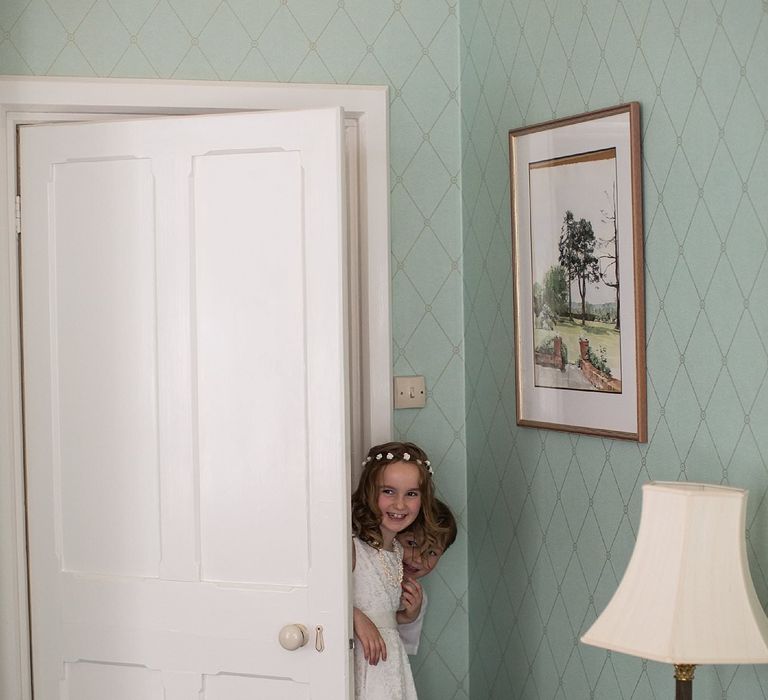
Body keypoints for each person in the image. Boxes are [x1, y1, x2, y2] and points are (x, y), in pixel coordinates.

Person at [351, 441, 442, 700]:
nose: (400, 505)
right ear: (369, 491)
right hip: (362, 660)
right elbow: (322, 600)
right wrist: (355, 616)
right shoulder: (355, 547)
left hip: (389, 664)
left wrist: (404, 616)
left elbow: (382, 618)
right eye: (389, 491)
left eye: (411, 494)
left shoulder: (396, 551)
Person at [396, 499, 457, 655]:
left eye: (431, 552)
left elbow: (401, 651)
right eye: (412, 543)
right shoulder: (371, 573)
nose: (418, 558)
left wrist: (408, 617)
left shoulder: (416, 599)